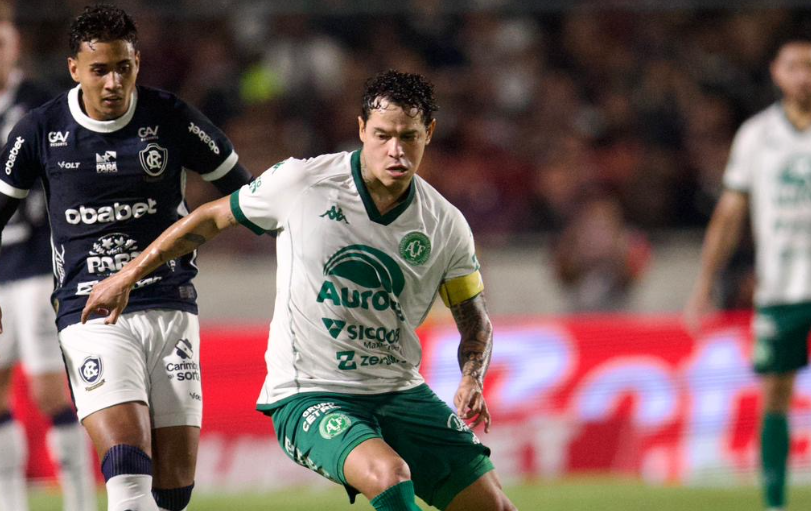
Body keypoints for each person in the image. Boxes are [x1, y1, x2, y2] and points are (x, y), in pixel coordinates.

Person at [81, 70, 517, 511]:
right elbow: (211, 217)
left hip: (400, 390)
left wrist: (471, 377)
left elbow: (474, 320)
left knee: (495, 506)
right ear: (361, 129)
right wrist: (127, 275)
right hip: (310, 392)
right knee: (389, 475)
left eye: (409, 137)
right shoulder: (302, 182)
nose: (396, 150)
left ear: (430, 133)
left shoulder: (445, 224)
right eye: (383, 135)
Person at [0, 4, 253, 511]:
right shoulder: (39, 130)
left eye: (123, 67)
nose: (113, 82)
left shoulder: (171, 117)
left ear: (137, 62)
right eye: (99, 70)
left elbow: (246, 195)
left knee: (173, 492)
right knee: (128, 467)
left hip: (170, 304)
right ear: (75, 69)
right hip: (89, 311)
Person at [684, 39, 811, 511]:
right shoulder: (757, 135)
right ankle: (775, 503)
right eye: (794, 66)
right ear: (776, 72)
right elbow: (729, 214)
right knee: (775, 392)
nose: (804, 75)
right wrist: (704, 285)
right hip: (780, 288)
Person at [0, 3, 97, 510]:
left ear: (14, 46)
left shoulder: (39, 103)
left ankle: (80, 501)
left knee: (46, 390)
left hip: (36, 266)